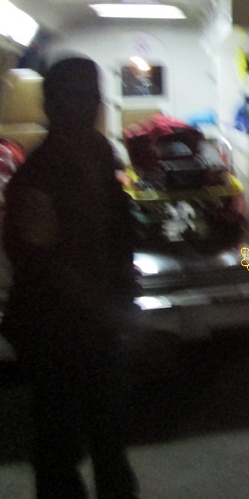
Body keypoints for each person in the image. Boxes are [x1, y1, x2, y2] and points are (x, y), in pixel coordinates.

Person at [1, 56, 140, 499]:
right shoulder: (35, 179)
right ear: (52, 105)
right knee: (59, 445)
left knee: (109, 440)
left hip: (97, 325)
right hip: (53, 329)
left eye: (93, 96)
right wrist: (107, 308)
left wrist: (123, 285)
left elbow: (117, 228)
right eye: (76, 97)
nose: (89, 106)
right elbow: (43, 266)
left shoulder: (98, 155)